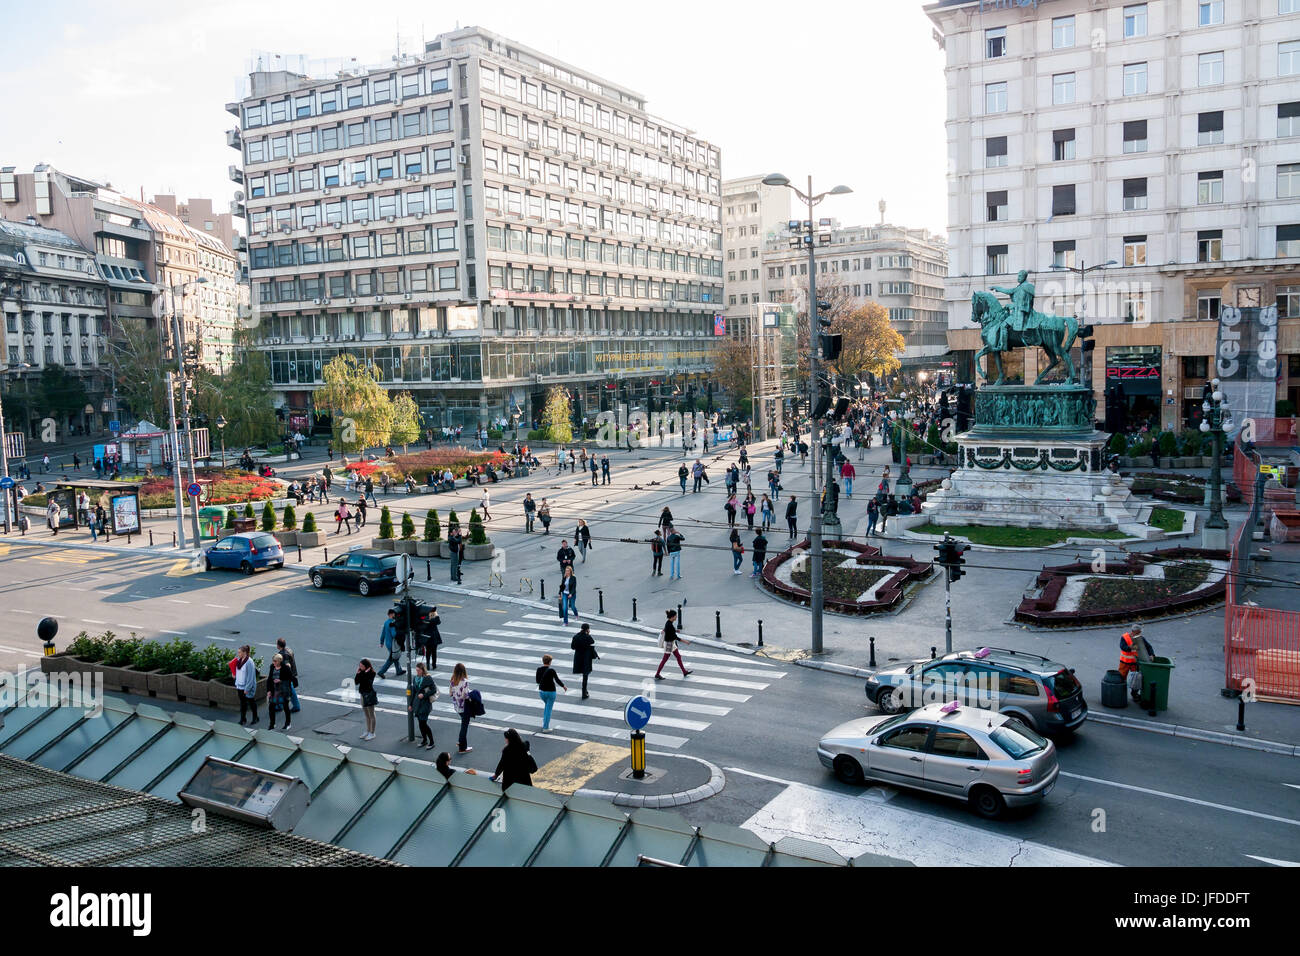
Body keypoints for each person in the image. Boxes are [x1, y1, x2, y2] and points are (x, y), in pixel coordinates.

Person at [654, 609, 692, 681]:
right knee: (665, 659)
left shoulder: (668, 623)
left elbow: (669, 629)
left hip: (671, 643)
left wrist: (675, 630)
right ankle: (657, 674)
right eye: (675, 616)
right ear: (672, 617)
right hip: (669, 644)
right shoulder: (669, 625)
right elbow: (675, 637)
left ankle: (684, 671)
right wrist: (685, 641)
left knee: (678, 656)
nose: (676, 617)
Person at [535, 653, 567, 732]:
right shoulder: (551, 670)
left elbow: (537, 681)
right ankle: (545, 727)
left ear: (543, 661)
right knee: (549, 709)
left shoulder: (538, 669)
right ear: (550, 662)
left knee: (547, 706)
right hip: (551, 692)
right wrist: (563, 686)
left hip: (542, 692)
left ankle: (544, 721)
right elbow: (557, 680)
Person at [409, 663, 439, 749]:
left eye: (418, 670)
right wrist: (411, 704)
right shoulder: (415, 679)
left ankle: (432, 742)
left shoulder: (427, 678)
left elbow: (433, 690)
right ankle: (424, 740)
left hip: (425, 704)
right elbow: (414, 692)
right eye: (416, 670)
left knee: (423, 723)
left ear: (422, 670)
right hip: (417, 704)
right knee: (420, 723)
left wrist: (424, 695)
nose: (417, 672)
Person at [266, 653, 294, 731]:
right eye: (273, 661)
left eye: (275, 661)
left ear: (279, 661)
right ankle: (272, 724)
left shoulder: (285, 668)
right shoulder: (272, 667)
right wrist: (268, 690)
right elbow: (269, 679)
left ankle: (288, 723)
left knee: (285, 707)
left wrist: (281, 680)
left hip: (284, 691)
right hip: (274, 690)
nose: (273, 662)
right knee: (271, 706)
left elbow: (291, 678)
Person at [450, 662, 473, 754]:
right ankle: (462, 747)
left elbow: (450, 693)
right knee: (464, 726)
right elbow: (465, 695)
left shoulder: (452, 680)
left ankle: (462, 743)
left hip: (457, 706)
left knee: (464, 724)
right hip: (464, 706)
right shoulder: (465, 681)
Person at [233, 645, 259, 726]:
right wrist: (234, 675)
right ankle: (243, 718)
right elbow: (238, 671)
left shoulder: (249, 662)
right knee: (242, 703)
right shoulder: (238, 660)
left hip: (247, 686)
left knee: (251, 702)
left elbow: (251, 677)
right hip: (240, 685)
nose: (238, 654)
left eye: (239, 652)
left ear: (244, 652)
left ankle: (255, 717)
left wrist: (247, 688)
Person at [570, 623, 598, 700]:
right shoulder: (587, 637)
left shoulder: (576, 636)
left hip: (578, 657)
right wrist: (588, 634)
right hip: (586, 658)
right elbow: (592, 641)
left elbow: (572, 647)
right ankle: (584, 692)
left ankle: (584, 691)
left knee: (583, 673)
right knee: (585, 675)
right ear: (587, 629)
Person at [377, 608, 407, 678]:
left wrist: (381, 642)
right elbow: (394, 634)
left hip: (388, 643)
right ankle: (381, 672)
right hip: (393, 645)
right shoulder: (392, 623)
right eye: (394, 614)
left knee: (395, 657)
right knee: (391, 659)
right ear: (391, 614)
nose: (395, 615)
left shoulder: (386, 622)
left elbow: (383, 633)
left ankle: (399, 670)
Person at [275, 638, 301, 712]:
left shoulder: (283, 654)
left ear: (278, 645)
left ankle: (295, 706)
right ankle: (280, 705)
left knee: (288, 690)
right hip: (291, 674)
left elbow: (287, 665)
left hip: (287, 676)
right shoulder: (288, 650)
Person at [354, 658, 378, 740]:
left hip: (369, 695)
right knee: (366, 714)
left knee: (371, 715)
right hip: (362, 694)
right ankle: (368, 730)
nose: (360, 667)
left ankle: (372, 732)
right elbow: (356, 682)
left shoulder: (372, 673)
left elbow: (367, 683)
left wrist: (364, 674)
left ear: (366, 666)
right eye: (359, 666)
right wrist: (358, 674)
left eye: (361, 666)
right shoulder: (361, 672)